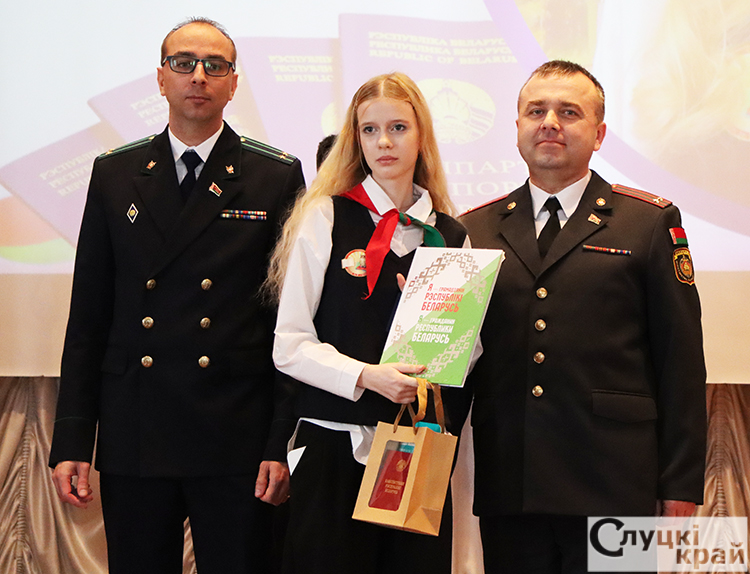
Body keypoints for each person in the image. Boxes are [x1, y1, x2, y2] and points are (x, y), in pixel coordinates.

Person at [48, 17, 305, 574]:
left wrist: (280, 441)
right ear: (161, 78)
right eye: (184, 63)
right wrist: (72, 439)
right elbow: (88, 317)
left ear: (233, 84)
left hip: (235, 431)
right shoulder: (115, 174)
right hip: (137, 425)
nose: (199, 76)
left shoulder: (274, 176)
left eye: (215, 65)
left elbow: (290, 322)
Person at [460, 60, 707, 574]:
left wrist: (681, 486)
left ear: (598, 134)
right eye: (536, 112)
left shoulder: (649, 222)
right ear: (518, 128)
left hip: (617, 484)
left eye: (568, 112)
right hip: (512, 486)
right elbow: (457, 361)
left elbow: (681, 363)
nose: (550, 123)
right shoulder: (474, 230)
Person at [266, 72, 470, 574]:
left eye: (398, 128)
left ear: (421, 135)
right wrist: (367, 376)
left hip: (413, 449)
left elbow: (466, 357)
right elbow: (289, 344)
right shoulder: (325, 217)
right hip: (333, 443)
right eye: (370, 130)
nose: (384, 142)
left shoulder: (450, 235)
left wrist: (434, 334)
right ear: (355, 139)